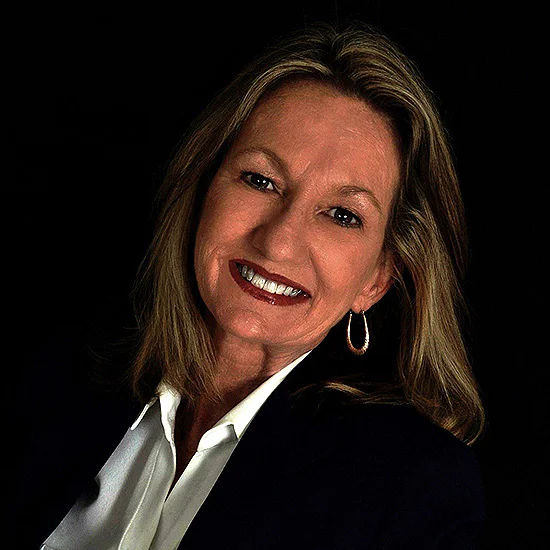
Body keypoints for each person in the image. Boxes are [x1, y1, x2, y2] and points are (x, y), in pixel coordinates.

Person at [28, 21, 485, 549]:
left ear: (378, 279)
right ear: (203, 186)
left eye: (342, 214)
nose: (279, 242)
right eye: (260, 180)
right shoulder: (52, 371)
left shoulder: (412, 492)